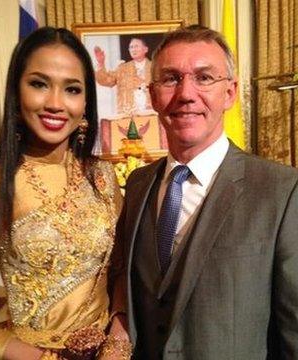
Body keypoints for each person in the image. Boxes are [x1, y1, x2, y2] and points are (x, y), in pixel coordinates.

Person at [116, 25, 298, 359]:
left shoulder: (282, 191)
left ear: (229, 93)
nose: (186, 93)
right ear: (154, 95)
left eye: (204, 78)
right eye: (171, 78)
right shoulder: (137, 186)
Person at [0, 27, 131, 359]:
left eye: (72, 89)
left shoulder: (101, 175)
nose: (55, 104)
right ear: (16, 93)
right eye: (39, 84)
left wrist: (119, 337)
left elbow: (122, 270)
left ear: (86, 102)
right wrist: (11, 350)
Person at [94, 38, 152, 114]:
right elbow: (106, 80)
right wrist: (101, 64)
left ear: (145, 49)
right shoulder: (122, 68)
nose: (133, 49)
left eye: (136, 46)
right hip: (128, 112)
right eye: (131, 47)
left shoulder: (155, 67)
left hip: (151, 111)